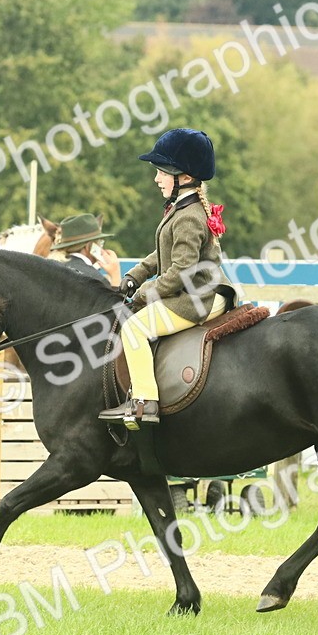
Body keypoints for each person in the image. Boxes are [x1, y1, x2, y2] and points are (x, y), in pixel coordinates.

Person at [98, 128, 229, 428]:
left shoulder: (189, 216)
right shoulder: (182, 208)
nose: (157, 178)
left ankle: (145, 402)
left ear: (185, 177)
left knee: (134, 328)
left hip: (198, 297)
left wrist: (144, 293)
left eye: (162, 172)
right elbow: (163, 253)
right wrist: (135, 275)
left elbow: (179, 272)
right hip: (197, 290)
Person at [51, 213, 121, 287]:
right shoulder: (95, 279)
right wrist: (115, 275)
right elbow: (114, 295)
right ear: (89, 246)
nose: (101, 248)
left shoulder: (54, 270)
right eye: (99, 242)